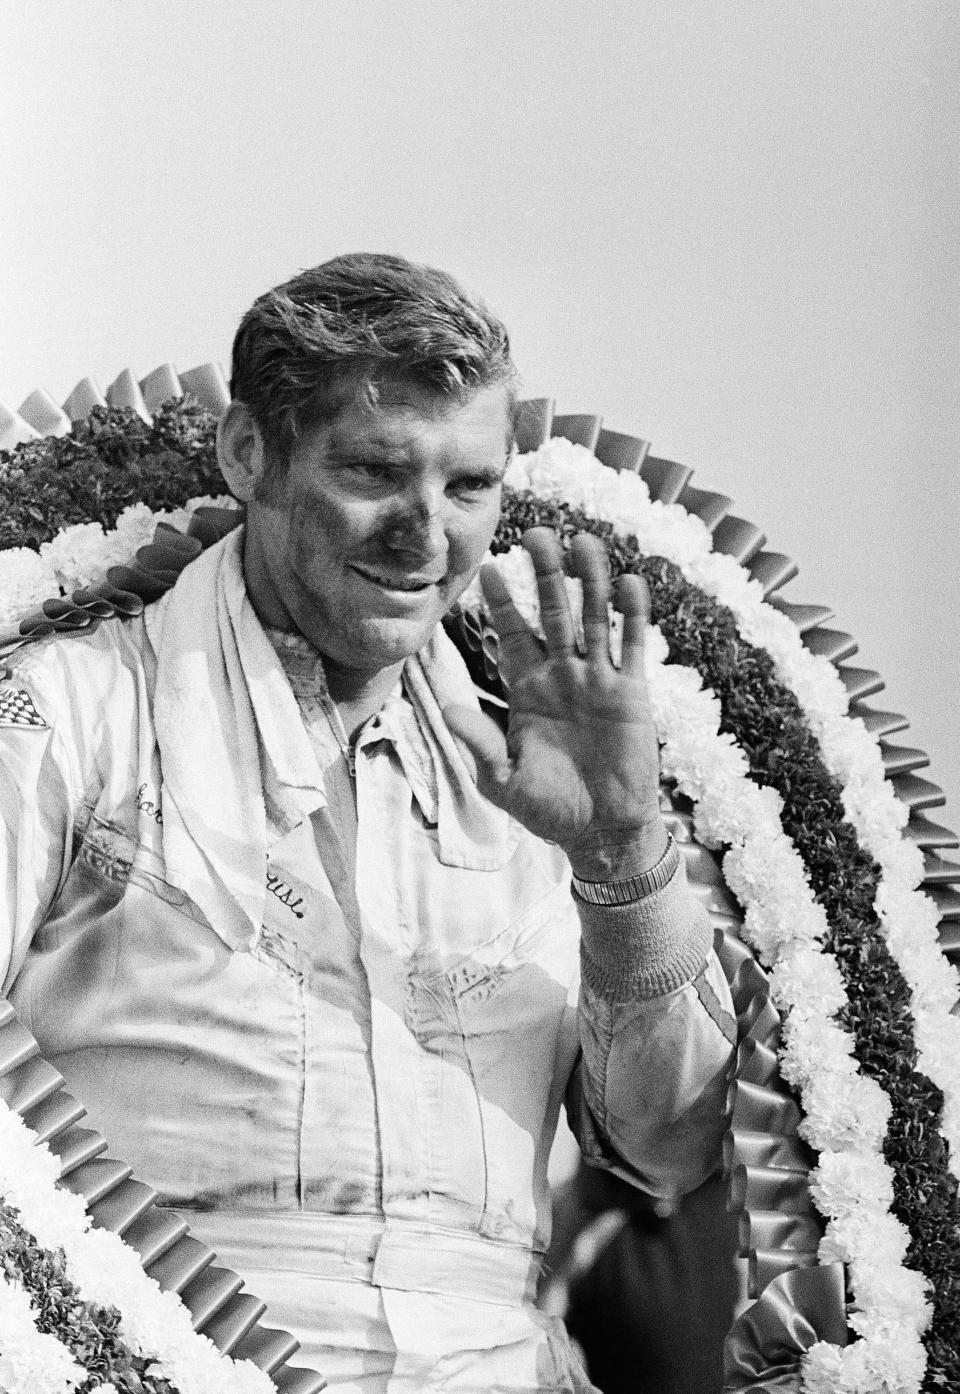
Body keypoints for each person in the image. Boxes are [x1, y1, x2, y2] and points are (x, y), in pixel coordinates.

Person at [0, 254, 737, 1392]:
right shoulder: (69, 710)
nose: (426, 535)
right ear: (249, 452)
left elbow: (665, 1150)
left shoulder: (541, 768)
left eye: (469, 487)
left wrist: (621, 850)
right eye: (375, 471)